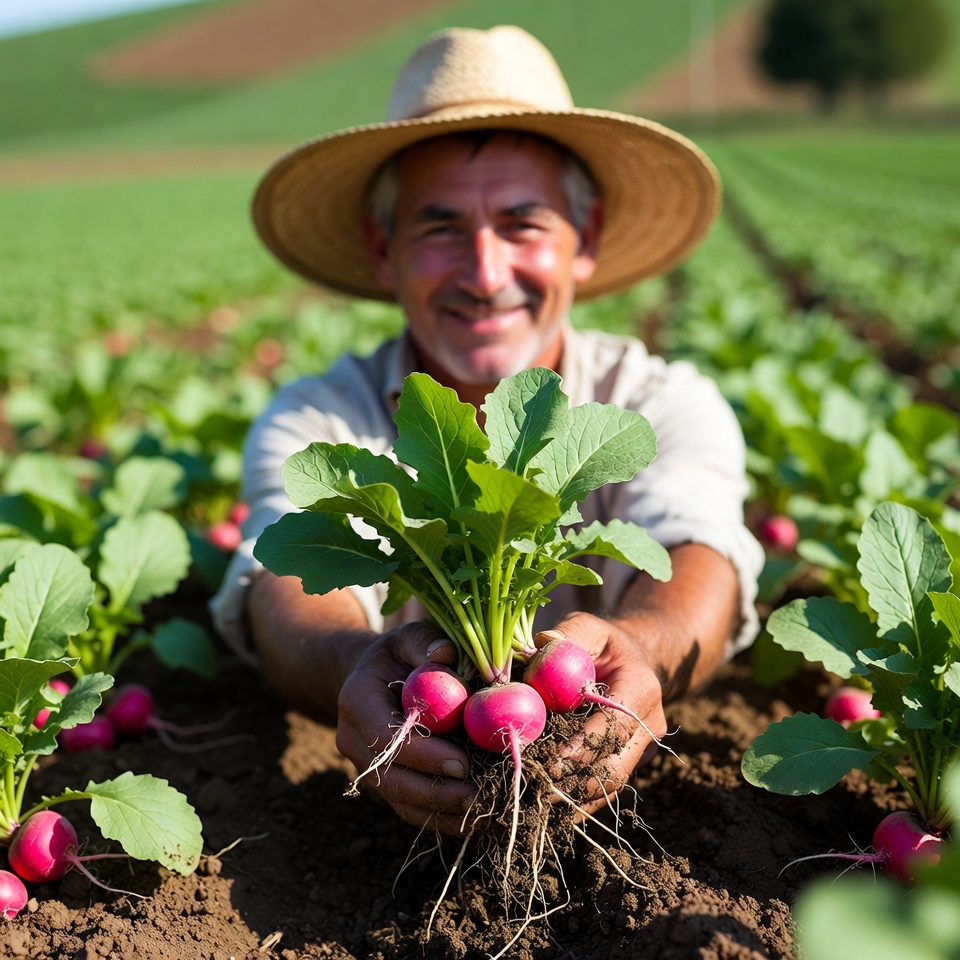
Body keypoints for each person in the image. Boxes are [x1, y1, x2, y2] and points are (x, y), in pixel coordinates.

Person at [211, 24, 764, 835]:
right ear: (381, 249)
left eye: (523, 223)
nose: (485, 271)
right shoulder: (319, 417)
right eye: (439, 228)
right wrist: (351, 667)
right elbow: (282, 574)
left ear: (590, 239)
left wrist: (641, 646)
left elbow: (700, 549)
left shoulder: (664, 401)